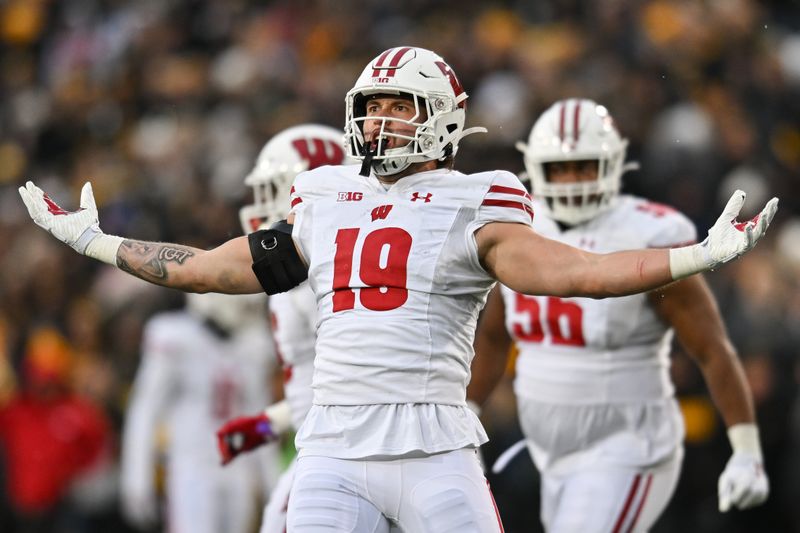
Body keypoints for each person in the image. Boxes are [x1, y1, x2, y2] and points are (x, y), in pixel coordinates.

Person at [18, 47, 777, 532]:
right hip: (333, 447)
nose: (379, 120)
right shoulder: (323, 194)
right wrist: (100, 242)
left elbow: (573, 272)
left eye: (398, 106)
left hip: (434, 444)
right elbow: (213, 267)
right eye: (370, 106)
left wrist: (684, 258)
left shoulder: (477, 196)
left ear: (442, 117)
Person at [467, 98, 771, 532]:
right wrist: (468, 412)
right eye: (559, 168)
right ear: (535, 168)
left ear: (612, 164)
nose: (571, 181)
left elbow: (711, 349)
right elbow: (495, 337)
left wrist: (747, 449)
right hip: (549, 452)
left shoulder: (650, 232)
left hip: (628, 447)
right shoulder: (520, 228)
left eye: (584, 166)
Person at [217, 123, 353, 533]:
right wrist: (269, 423)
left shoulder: (322, 277)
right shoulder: (293, 276)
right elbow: (314, 386)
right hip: (326, 444)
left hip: (344, 453)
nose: (260, 206)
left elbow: (354, 384)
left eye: (275, 189)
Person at [120, 291, 281, 533]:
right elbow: (145, 409)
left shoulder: (254, 345)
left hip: (239, 470)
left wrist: (274, 483)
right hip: (192, 466)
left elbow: (259, 420)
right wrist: (137, 475)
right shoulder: (175, 337)